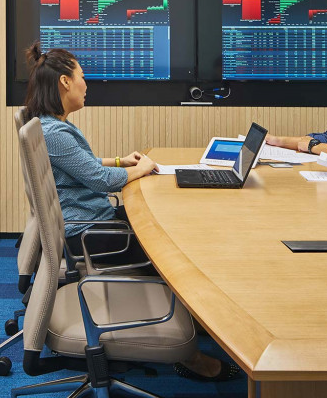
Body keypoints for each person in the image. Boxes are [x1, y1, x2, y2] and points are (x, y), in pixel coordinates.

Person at [22, 42, 240, 382]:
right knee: (177, 254)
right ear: (64, 82)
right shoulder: (57, 134)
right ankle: (191, 354)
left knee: (173, 230)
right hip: (90, 235)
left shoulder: (52, 126)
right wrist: (144, 167)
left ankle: (195, 320)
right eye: (82, 77)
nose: (86, 84)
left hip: (90, 224)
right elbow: (98, 180)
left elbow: (85, 166)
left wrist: (124, 161)